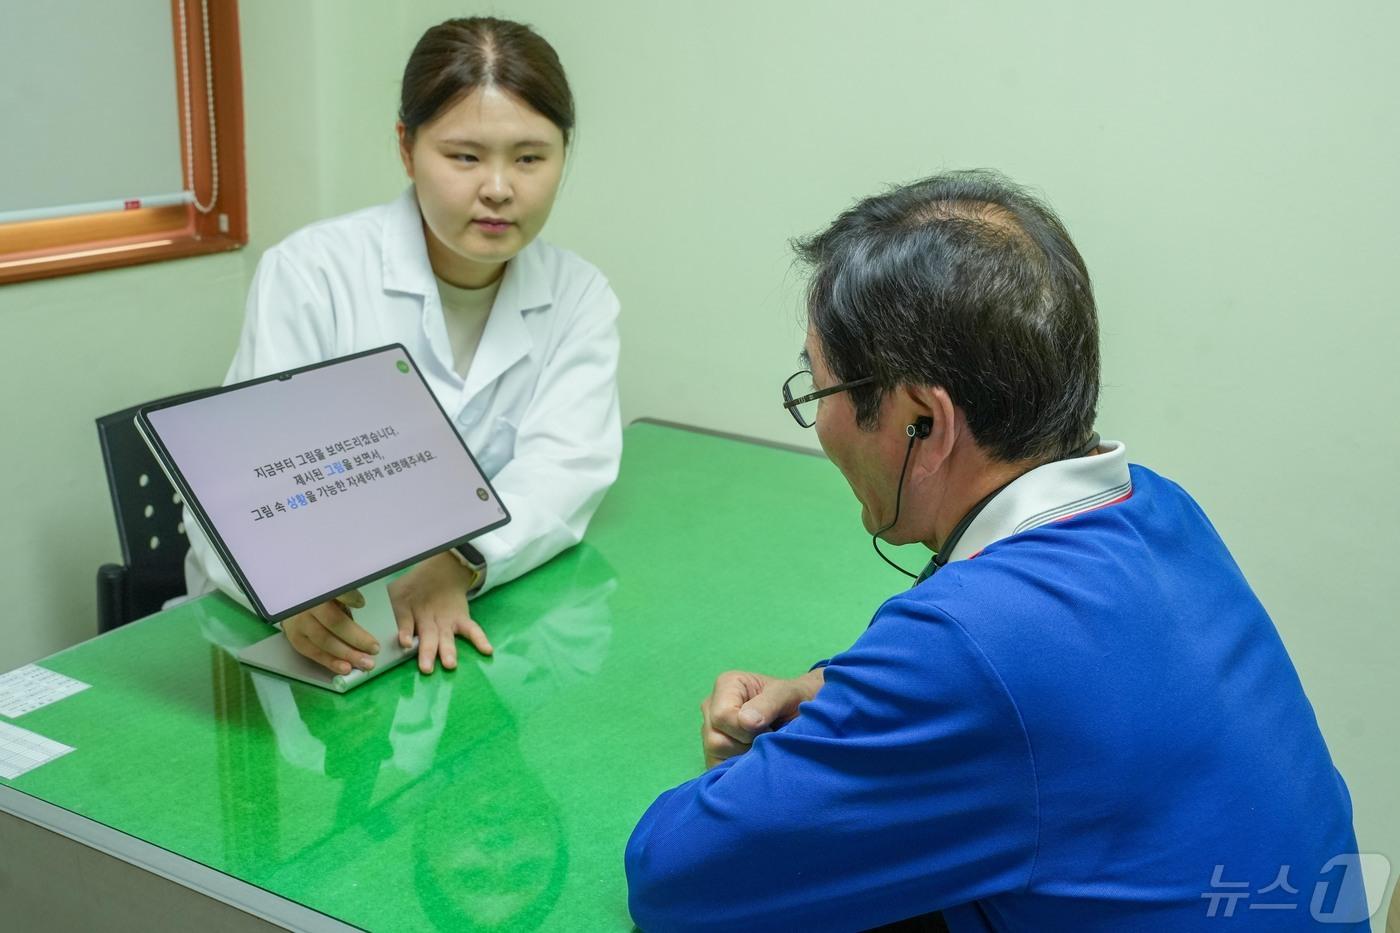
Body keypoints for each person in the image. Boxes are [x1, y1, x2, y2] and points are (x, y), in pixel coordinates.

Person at [625, 171, 1364, 931]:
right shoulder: (1157, 506)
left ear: (923, 421)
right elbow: (1051, 710)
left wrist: (815, 747)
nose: (819, 425)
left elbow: (675, 873)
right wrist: (829, 692)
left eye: (818, 393)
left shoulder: (976, 647)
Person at [183, 17, 620, 677]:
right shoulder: (312, 274)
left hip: (465, 620)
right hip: (299, 631)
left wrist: (462, 559)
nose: (499, 187)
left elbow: (566, 469)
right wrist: (289, 593)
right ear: (406, 148)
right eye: (464, 156)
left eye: (529, 157)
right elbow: (238, 486)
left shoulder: (578, 294)